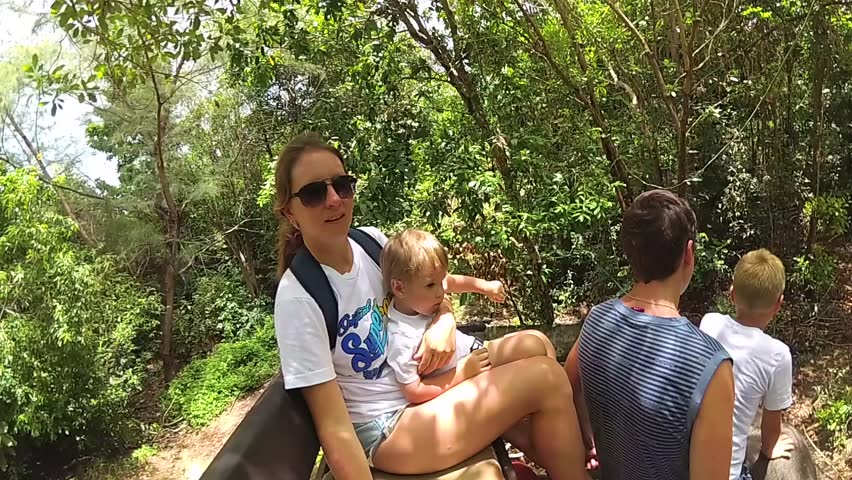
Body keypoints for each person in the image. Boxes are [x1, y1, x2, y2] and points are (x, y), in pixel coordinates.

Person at [272, 133, 587, 479]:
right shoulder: (299, 299)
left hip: (422, 380)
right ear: (290, 211)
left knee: (537, 344)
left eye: (342, 185)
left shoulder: (371, 243)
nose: (334, 200)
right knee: (547, 379)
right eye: (315, 193)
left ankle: (563, 461)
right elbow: (334, 429)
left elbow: (429, 289)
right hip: (388, 426)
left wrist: (444, 321)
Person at [563, 189, 735, 480]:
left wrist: (588, 440)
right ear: (689, 253)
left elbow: (566, 388)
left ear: (631, 253)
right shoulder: (710, 364)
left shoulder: (597, 319)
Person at [381, 228, 557, 404]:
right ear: (399, 288)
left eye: (440, 283)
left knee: (542, 341)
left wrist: (485, 287)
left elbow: (453, 281)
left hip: (475, 352)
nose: (440, 292)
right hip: (469, 369)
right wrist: (463, 372)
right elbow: (414, 391)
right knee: (530, 346)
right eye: (430, 285)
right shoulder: (402, 338)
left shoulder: (419, 299)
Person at [700, 249, 795, 480]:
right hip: (726, 473)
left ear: (731, 294)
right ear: (778, 305)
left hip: (688, 460)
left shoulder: (709, 322)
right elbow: (770, 432)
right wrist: (771, 447)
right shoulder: (778, 355)